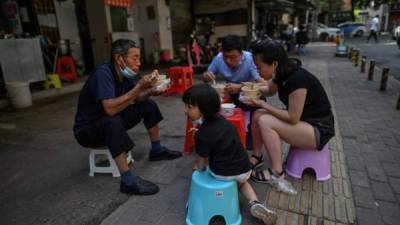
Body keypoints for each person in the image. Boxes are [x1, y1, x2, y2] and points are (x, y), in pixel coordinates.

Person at [73, 39, 182, 195]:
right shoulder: (103, 74)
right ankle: (128, 181)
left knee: (148, 105)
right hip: (87, 130)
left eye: (139, 58)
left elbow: (136, 99)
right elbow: (110, 109)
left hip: (111, 119)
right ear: (119, 58)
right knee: (112, 121)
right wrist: (139, 87)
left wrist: (150, 91)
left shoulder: (126, 75)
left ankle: (157, 150)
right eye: (135, 58)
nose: (139, 62)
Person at [245, 40, 335, 193]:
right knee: (258, 115)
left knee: (265, 120)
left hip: (318, 130)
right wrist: (248, 89)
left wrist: (263, 104)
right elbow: (269, 91)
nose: (257, 70)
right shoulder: (282, 72)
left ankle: (276, 172)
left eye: (258, 66)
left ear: (274, 64)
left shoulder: (297, 80)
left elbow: (292, 117)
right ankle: (257, 155)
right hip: (304, 122)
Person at [182, 84, 277, 225]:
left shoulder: (201, 134)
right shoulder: (226, 123)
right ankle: (255, 203)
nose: (185, 111)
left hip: (222, 173)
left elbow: (201, 163)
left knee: (202, 173)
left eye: (189, 107)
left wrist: (197, 168)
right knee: (241, 182)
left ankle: (203, 200)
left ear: (203, 110)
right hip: (245, 169)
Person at [202, 35, 265, 149]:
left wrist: (240, 86)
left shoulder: (250, 59)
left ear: (241, 54)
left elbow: (263, 84)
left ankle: (251, 134)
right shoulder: (219, 58)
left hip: (249, 95)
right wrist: (206, 76)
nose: (228, 60)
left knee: (257, 103)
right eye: (226, 56)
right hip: (232, 95)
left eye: (232, 57)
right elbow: (206, 76)